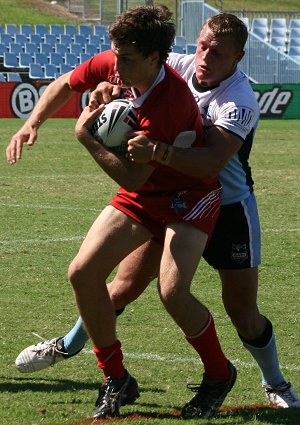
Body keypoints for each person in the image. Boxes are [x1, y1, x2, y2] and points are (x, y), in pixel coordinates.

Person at [9, 11, 300, 415]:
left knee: (239, 312)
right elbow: (69, 83)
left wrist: (106, 138)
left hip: (220, 201)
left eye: (218, 52)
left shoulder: (238, 98)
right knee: (111, 281)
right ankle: (90, 358)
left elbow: (209, 163)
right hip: (156, 191)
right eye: (201, 46)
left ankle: (274, 380)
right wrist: (34, 122)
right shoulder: (156, 62)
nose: (205, 57)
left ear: (238, 58)